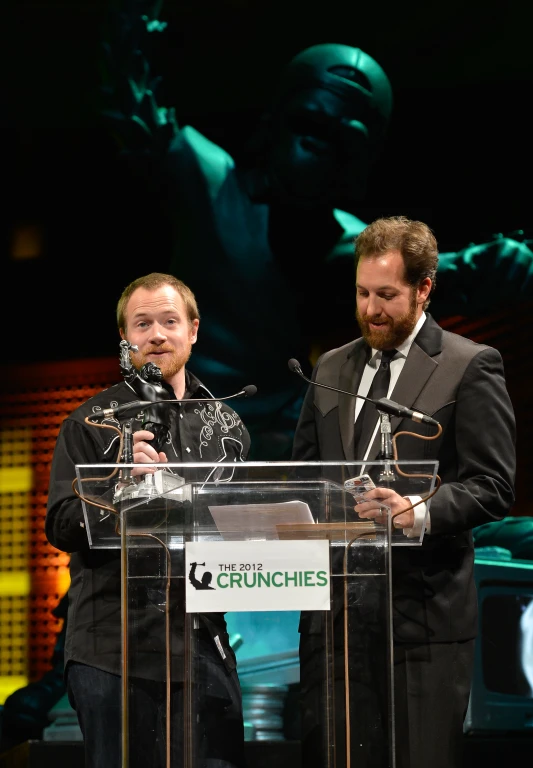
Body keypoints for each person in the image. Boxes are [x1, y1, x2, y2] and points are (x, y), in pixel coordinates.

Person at [100, 5, 532, 460]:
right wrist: (132, 21)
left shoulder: (353, 243)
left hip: (288, 441)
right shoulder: (213, 186)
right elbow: (134, 109)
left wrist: (489, 265)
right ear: (275, 122)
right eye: (309, 127)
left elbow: (418, 279)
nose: (316, 154)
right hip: (181, 424)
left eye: (340, 144)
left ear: (360, 164)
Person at [291, 216, 516, 768]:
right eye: (363, 293)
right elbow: (301, 477)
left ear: (424, 288)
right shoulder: (331, 368)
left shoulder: (469, 365)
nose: (371, 309)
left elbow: (493, 485)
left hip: (423, 623)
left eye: (387, 295)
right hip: (335, 622)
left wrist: (417, 511)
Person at [45, 272, 250, 768]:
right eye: (142, 324)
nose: (156, 334)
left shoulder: (230, 426)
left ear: (193, 330)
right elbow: (61, 524)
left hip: (203, 644)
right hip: (111, 649)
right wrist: (121, 488)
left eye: (169, 321)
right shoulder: (90, 423)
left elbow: (238, 530)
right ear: (125, 338)